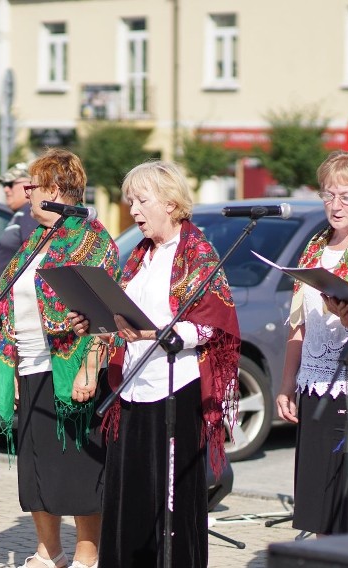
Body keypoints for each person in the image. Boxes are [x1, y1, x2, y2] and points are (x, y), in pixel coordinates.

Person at [69, 160, 240, 568]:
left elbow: (214, 328)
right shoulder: (139, 257)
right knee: (130, 497)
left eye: (142, 200)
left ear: (170, 202)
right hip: (131, 389)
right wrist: (94, 322)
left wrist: (156, 335)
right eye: (131, 201)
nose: (135, 211)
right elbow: (124, 318)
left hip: (176, 390)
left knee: (172, 504)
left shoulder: (196, 253)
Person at [0, 148, 120, 568]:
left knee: (78, 467)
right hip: (28, 366)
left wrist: (91, 366)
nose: (26, 194)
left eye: (33, 186)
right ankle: (50, 551)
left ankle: (86, 553)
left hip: (70, 369)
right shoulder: (35, 241)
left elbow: (107, 315)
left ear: (57, 190)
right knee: (36, 468)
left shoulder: (93, 240)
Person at [275, 150, 348, 537]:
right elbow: (299, 325)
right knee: (317, 498)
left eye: (347, 196)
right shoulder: (314, 247)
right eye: (329, 195)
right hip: (317, 385)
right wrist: (285, 385)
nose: (336, 205)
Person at [0, 162, 40, 299]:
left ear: (30, 184)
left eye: (11, 184)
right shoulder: (21, 214)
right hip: (1, 305)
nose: (6, 189)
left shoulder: (29, 213)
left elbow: (33, 259)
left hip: (11, 304)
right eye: (4, 185)